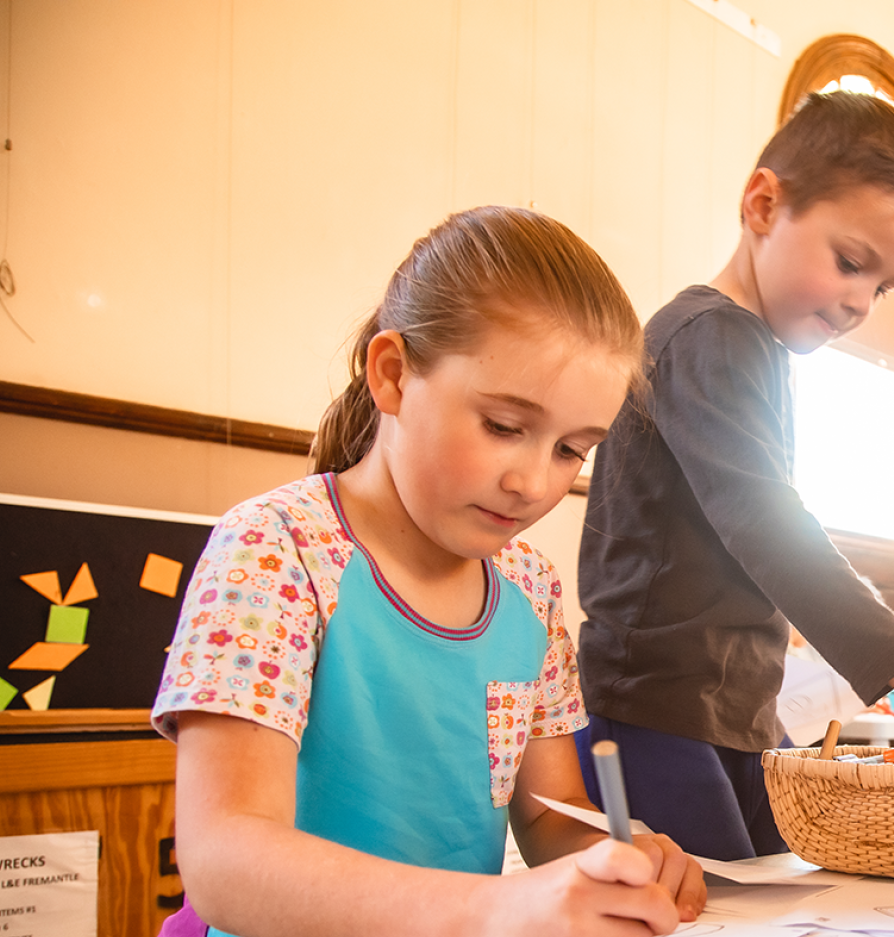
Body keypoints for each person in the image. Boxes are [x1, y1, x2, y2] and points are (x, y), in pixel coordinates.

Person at [152, 207, 706, 937]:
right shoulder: (275, 549)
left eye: (573, 449)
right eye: (505, 427)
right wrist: (501, 908)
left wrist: (607, 861)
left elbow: (547, 818)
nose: (534, 482)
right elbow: (224, 858)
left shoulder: (530, 587)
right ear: (392, 375)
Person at [574, 91, 894, 860]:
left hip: (734, 710)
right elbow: (764, 519)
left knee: (788, 886)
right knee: (704, 904)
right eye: (850, 263)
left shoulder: (754, 350)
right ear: (762, 203)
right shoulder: (707, 336)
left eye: (881, 287)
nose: (859, 302)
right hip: (652, 707)